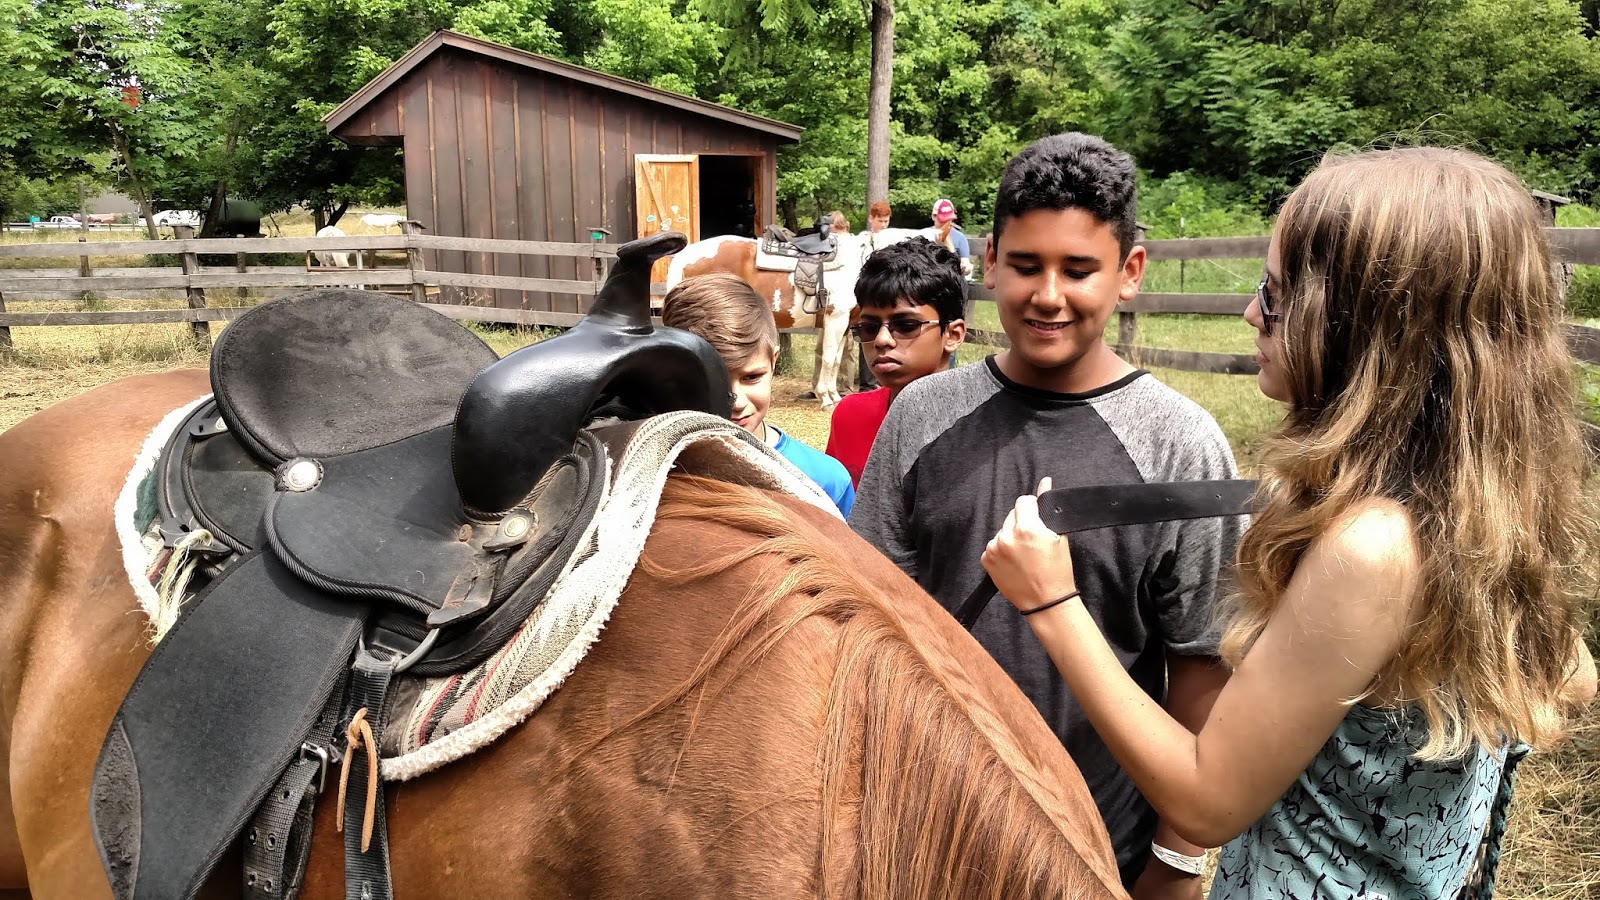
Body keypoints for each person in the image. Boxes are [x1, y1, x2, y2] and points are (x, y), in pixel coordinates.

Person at [981, 146, 1599, 899]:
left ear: (1368, 328)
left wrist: (1051, 603)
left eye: (1274, 296)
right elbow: (1573, 680)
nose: (1250, 313)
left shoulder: (1373, 548)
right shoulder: (1477, 508)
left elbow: (1207, 801)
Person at [851, 133, 1243, 897]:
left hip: (1095, 842)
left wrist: (1178, 859)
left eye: (1080, 269)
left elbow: (1200, 665)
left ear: (1129, 272)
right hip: (920, 823)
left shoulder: (1181, 446)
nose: (1049, 295)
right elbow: (872, 616)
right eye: (1027, 266)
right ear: (990, 259)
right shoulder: (920, 416)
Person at [662, 272, 855, 517]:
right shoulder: (648, 474)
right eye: (712, 381)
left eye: (751, 377)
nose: (737, 402)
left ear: (773, 362)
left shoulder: (825, 480)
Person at [824, 238, 966, 486]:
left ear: (952, 335)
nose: (882, 340)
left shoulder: (982, 429)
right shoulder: (849, 415)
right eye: (869, 328)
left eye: (906, 326)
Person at [929, 198, 973, 279]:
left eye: (949, 219)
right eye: (942, 220)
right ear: (933, 216)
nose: (946, 223)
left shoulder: (960, 238)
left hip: (950, 281)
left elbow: (965, 265)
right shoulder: (926, 235)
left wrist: (966, 267)